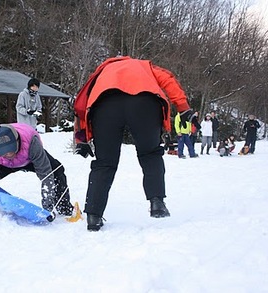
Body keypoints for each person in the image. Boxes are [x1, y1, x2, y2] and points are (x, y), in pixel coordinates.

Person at [73, 56, 194, 231]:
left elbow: (82, 102)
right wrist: (183, 108)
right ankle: (157, 202)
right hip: (144, 102)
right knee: (150, 153)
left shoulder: (101, 72)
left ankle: (93, 216)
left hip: (105, 105)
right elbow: (167, 79)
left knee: (104, 163)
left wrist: (81, 138)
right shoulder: (144, 66)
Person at [0, 123, 74, 221]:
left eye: (11, 150)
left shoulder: (32, 142)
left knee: (57, 170)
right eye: (4, 152)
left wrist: (47, 209)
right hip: (3, 164)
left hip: (29, 159)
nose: (9, 154)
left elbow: (46, 175)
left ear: (17, 141)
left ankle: (64, 207)